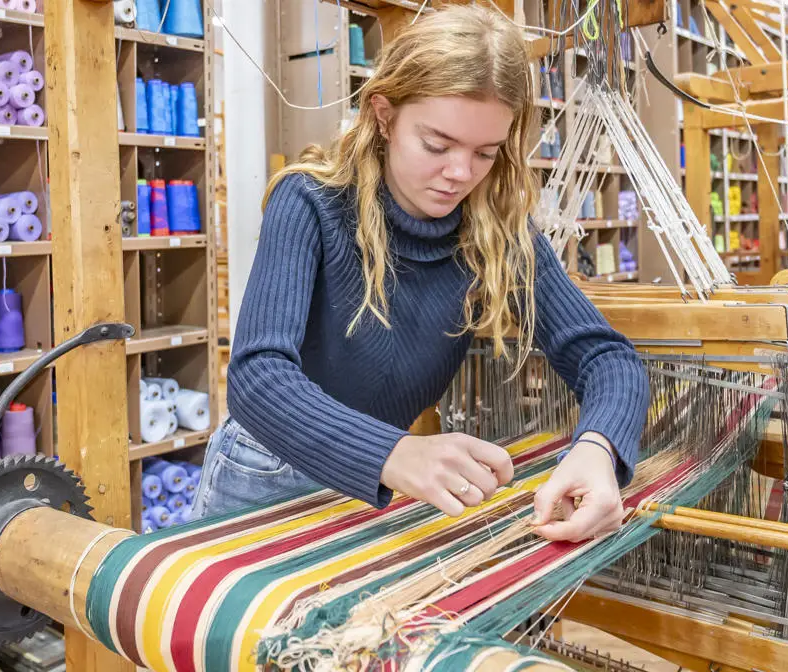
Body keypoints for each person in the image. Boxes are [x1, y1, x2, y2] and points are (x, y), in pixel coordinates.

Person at [191, 4, 651, 542]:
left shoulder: (497, 233)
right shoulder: (312, 201)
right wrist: (393, 452)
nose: (460, 174)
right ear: (384, 116)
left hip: (379, 480)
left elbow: (608, 358)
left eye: (485, 153)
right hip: (264, 475)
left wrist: (599, 450)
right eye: (437, 144)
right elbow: (257, 377)